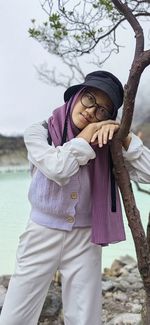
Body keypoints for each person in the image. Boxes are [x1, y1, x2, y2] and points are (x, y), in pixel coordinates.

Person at [0, 71, 150, 325]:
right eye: (90, 99)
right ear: (77, 95)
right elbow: (58, 169)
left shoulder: (109, 144)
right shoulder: (40, 132)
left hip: (86, 237)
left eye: (103, 110)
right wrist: (87, 135)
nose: (92, 111)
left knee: (84, 318)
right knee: (16, 316)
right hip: (41, 233)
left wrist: (125, 137)